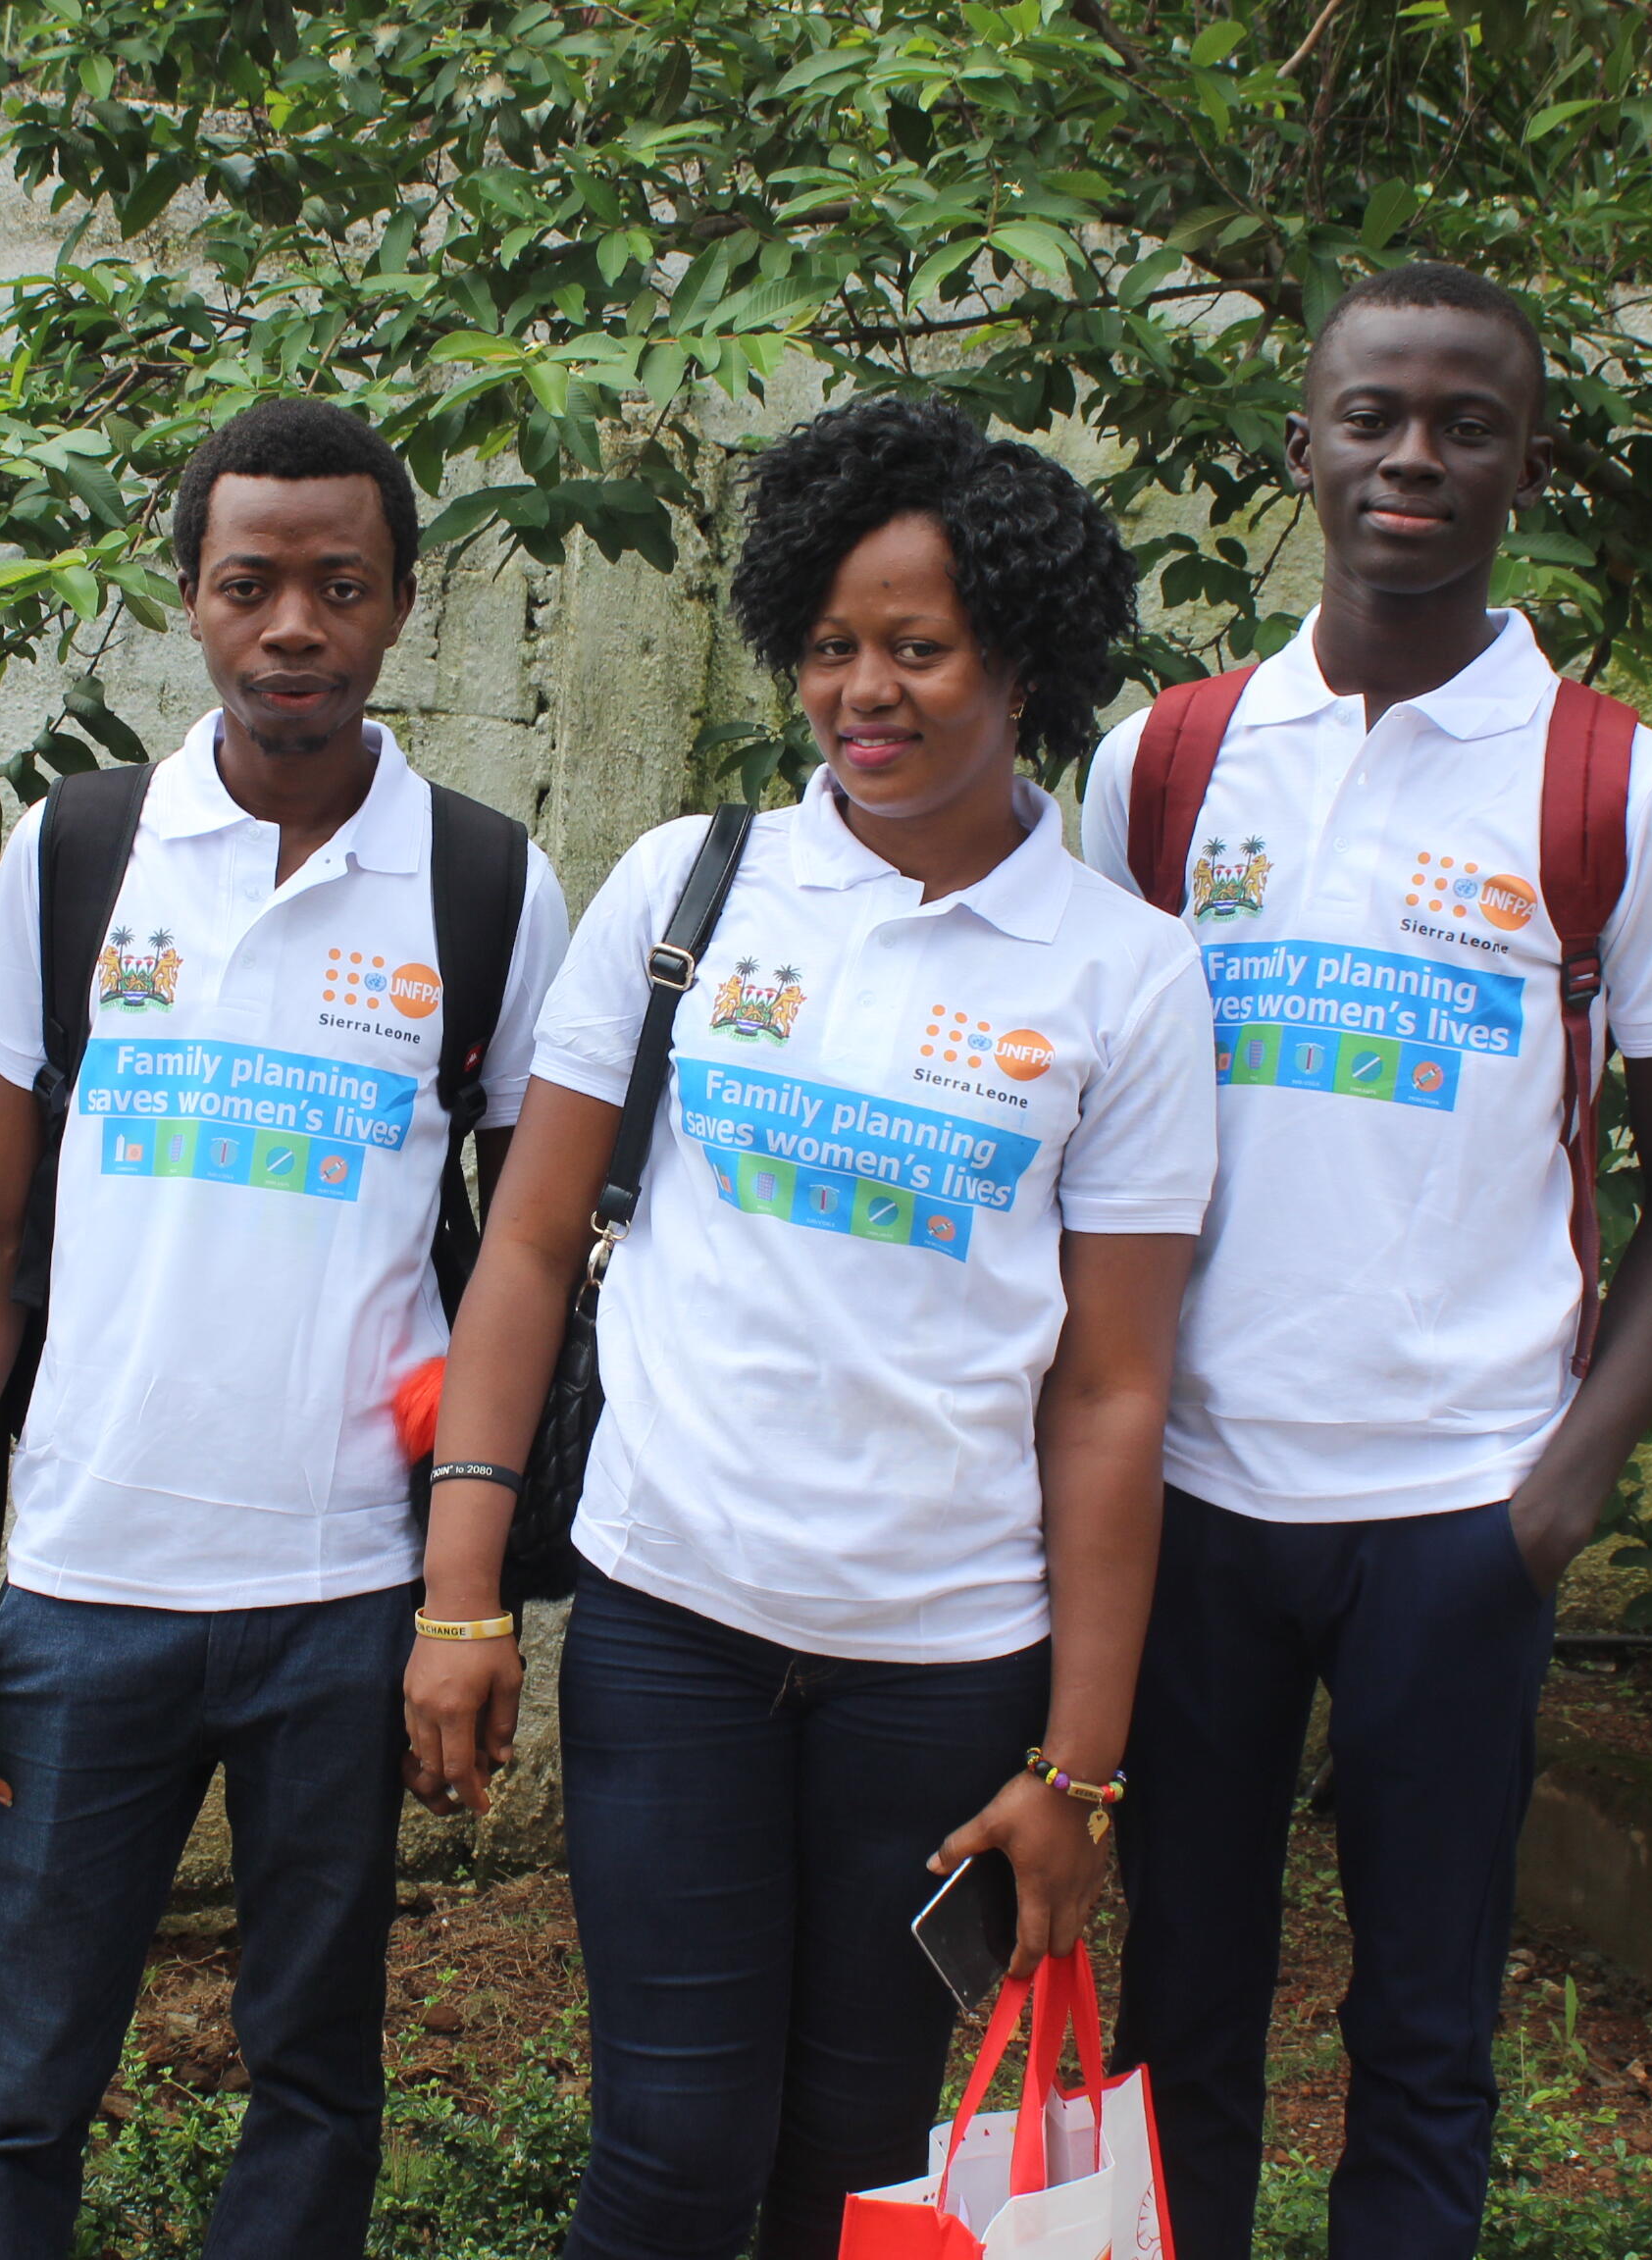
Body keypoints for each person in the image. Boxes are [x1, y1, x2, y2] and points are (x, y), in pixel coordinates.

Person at [413, 395, 1216, 2260]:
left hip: (942, 1669)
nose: (867, 691)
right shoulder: (696, 890)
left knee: (857, 2153)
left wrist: (1077, 1767)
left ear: (1021, 659)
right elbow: (528, 1249)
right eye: (833, 647)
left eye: (917, 649)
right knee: (672, 2149)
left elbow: (1112, 1387)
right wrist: (463, 1592)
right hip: (672, 1626)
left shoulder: (1125, 974)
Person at [1084, 262, 1652, 2260]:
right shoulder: (1169, 763)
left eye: (1466, 423)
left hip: (1458, 1513)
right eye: (1373, 415)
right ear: (1303, 448)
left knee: (1426, 2026)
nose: (1413, 458)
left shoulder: (1621, 788)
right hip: (1188, 1500)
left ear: (1525, 467)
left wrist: (1555, 1498)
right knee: (1174, 2009)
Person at [0, 395, 572, 2258]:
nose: (293, 628)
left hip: (345, 1606)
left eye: (338, 587)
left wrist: (463, 1594)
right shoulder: (80, 852)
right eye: (250, 582)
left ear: (399, 607)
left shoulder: (487, 883)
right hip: (87, 1592)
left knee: (315, 2076)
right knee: (19, 2085)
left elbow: (525, 1266)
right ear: (188, 596)